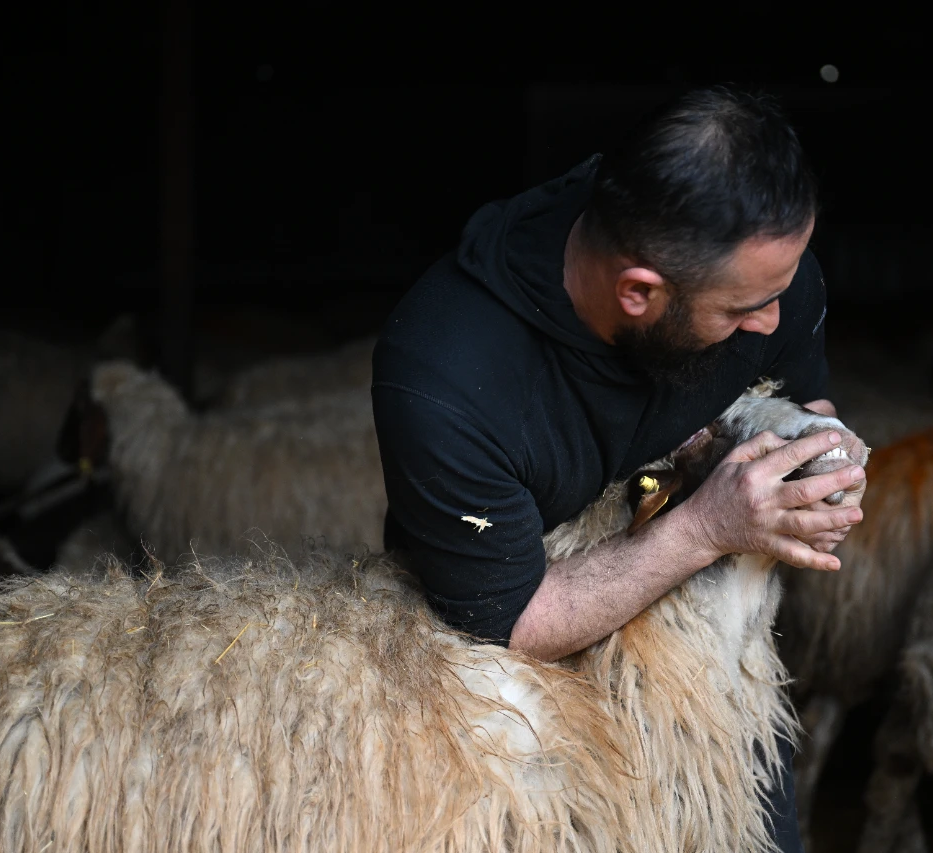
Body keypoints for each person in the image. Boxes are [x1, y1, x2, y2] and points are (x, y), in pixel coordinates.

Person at [371, 84, 866, 852]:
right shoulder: (446, 378)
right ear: (640, 292)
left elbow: (801, 394)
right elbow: (512, 623)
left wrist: (821, 458)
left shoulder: (765, 273)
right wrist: (708, 525)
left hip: (715, 686)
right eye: (742, 312)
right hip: (513, 702)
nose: (773, 319)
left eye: (784, 285)